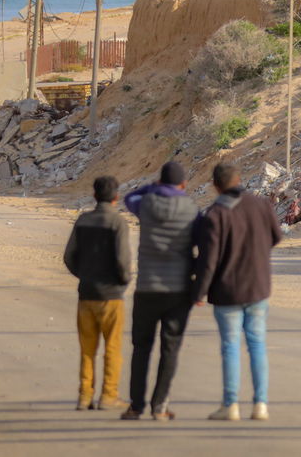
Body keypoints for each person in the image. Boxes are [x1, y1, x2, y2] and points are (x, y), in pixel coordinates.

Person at [194, 162, 282, 422]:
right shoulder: (261, 205)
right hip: (257, 288)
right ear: (239, 179)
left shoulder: (215, 213)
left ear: (215, 186)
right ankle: (261, 405)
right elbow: (276, 237)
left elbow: (208, 260)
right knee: (257, 344)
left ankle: (231, 405)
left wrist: (199, 292)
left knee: (231, 346)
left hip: (227, 291)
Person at [121, 160, 198, 421]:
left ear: (160, 182)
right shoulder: (190, 208)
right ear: (184, 185)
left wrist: (151, 187)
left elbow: (129, 197)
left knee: (141, 348)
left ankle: (135, 406)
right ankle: (159, 406)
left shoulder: (147, 204)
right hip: (178, 290)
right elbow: (200, 241)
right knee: (170, 348)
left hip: (147, 288)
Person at [62, 174, 131, 411]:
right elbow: (123, 261)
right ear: (116, 197)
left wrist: (84, 276)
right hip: (111, 295)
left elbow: (69, 257)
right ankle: (109, 395)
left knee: (87, 348)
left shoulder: (83, 220)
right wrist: (124, 281)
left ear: (94, 195)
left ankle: (84, 396)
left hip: (87, 294)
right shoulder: (118, 222)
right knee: (112, 348)